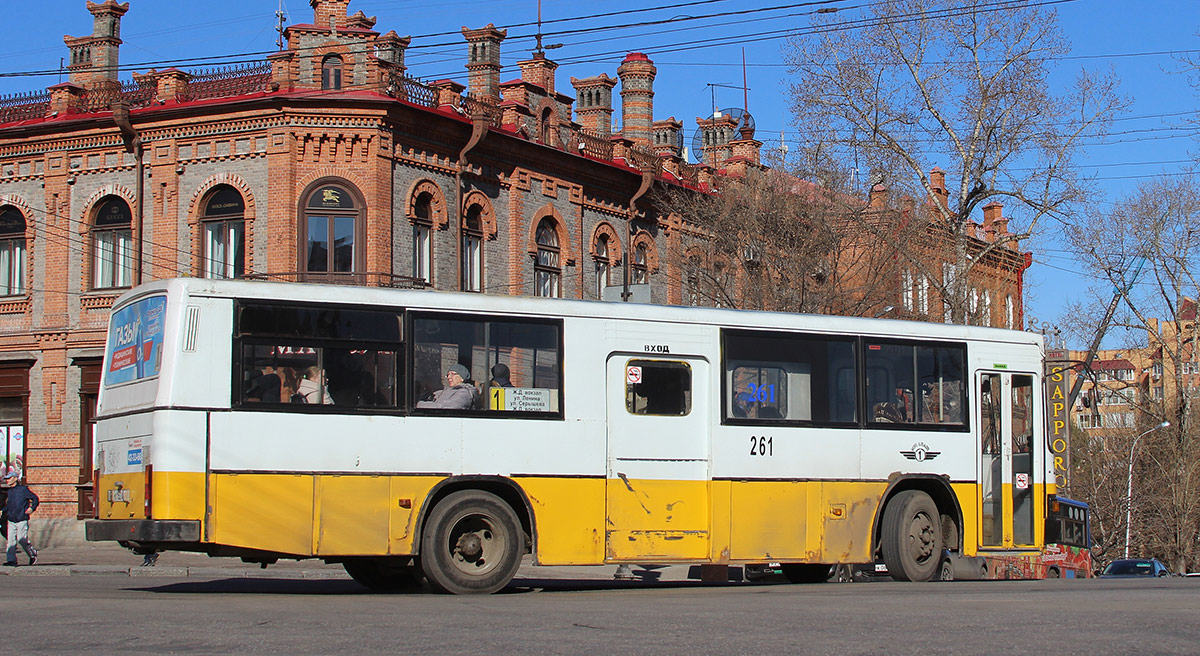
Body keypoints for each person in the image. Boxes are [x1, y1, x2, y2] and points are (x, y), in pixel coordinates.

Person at [2, 471, 38, 566]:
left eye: (9, 478)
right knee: (10, 541)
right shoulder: (9, 491)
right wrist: (3, 510)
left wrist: (32, 508)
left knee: (22, 539)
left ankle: (32, 553)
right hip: (11, 519)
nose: (7, 481)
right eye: (6, 479)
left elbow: (35, 498)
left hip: (21, 518)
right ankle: (11, 560)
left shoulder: (23, 490)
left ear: (15, 478)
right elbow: (9, 505)